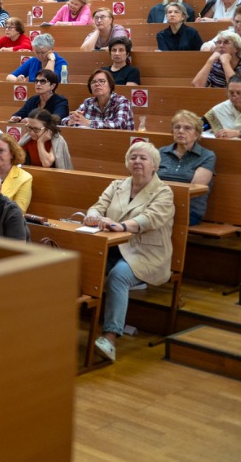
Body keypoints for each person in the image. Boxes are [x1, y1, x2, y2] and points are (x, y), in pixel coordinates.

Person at [86, 141, 176, 363]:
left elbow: (151, 218)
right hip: (113, 247)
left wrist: (124, 226)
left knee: (118, 275)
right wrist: (93, 215)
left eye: (143, 158)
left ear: (154, 165)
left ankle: (110, 337)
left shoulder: (163, 191)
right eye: (133, 157)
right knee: (82, 263)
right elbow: (98, 205)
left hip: (146, 253)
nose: (137, 161)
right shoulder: (117, 185)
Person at [157, 110, 215, 226]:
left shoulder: (207, 156)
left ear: (197, 134)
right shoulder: (160, 152)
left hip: (188, 210)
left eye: (187, 128)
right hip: (157, 206)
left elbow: (195, 190)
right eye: (177, 127)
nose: (181, 131)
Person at [68, 69, 135, 130]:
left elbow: (119, 124)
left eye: (102, 81)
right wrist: (71, 120)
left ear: (110, 85)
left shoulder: (122, 101)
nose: (97, 84)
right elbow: (65, 120)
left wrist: (89, 123)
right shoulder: (88, 102)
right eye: (93, 82)